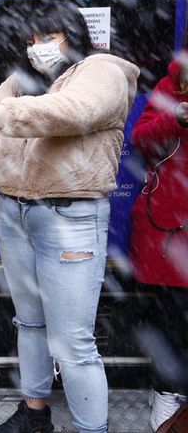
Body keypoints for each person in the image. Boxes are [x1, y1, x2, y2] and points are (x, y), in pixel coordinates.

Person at [0, 1, 139, 433]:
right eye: (31, 39)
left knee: (73, 342)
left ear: (73, 36)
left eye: (49, 37)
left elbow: (72, 112)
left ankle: (92, 428)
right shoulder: (23, 80)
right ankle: (35, 414)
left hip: (69, 217)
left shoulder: (102, 70)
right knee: (30, 323)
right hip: (16, 214)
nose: (38, 48)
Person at [130, 52, 188, 431]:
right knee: (169, 316)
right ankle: (167, 391)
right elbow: (140, 138)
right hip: (169, 226)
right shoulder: (170, 86)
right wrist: (175, 117)